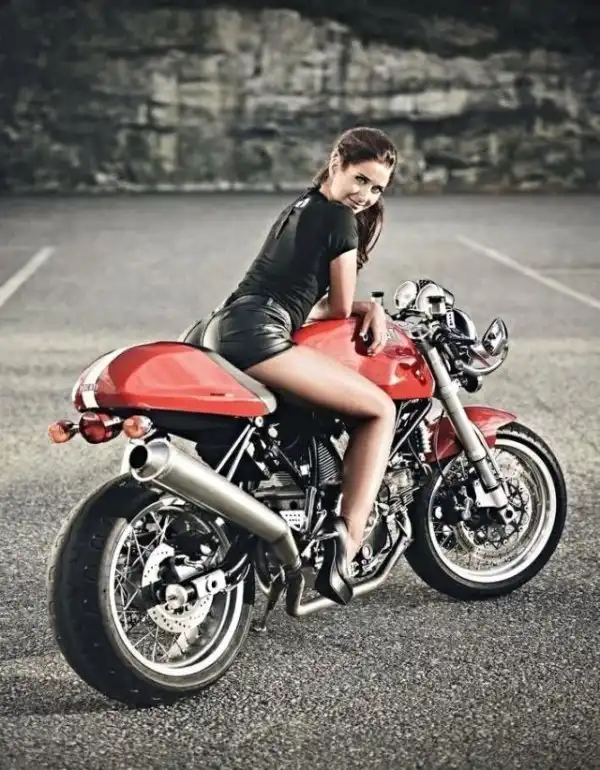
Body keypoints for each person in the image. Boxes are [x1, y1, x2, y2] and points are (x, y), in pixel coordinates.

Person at [190, 126, 398, 606]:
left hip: (220, 327)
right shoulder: (339, 218)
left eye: (377, 188)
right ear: (336, 163)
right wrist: (371, 307)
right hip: (257, 331)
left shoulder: (300, 206)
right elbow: (340, 307)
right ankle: (347, 545)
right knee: (380, 411)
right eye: (361, 179)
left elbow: (297, 299)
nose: (366, 195)